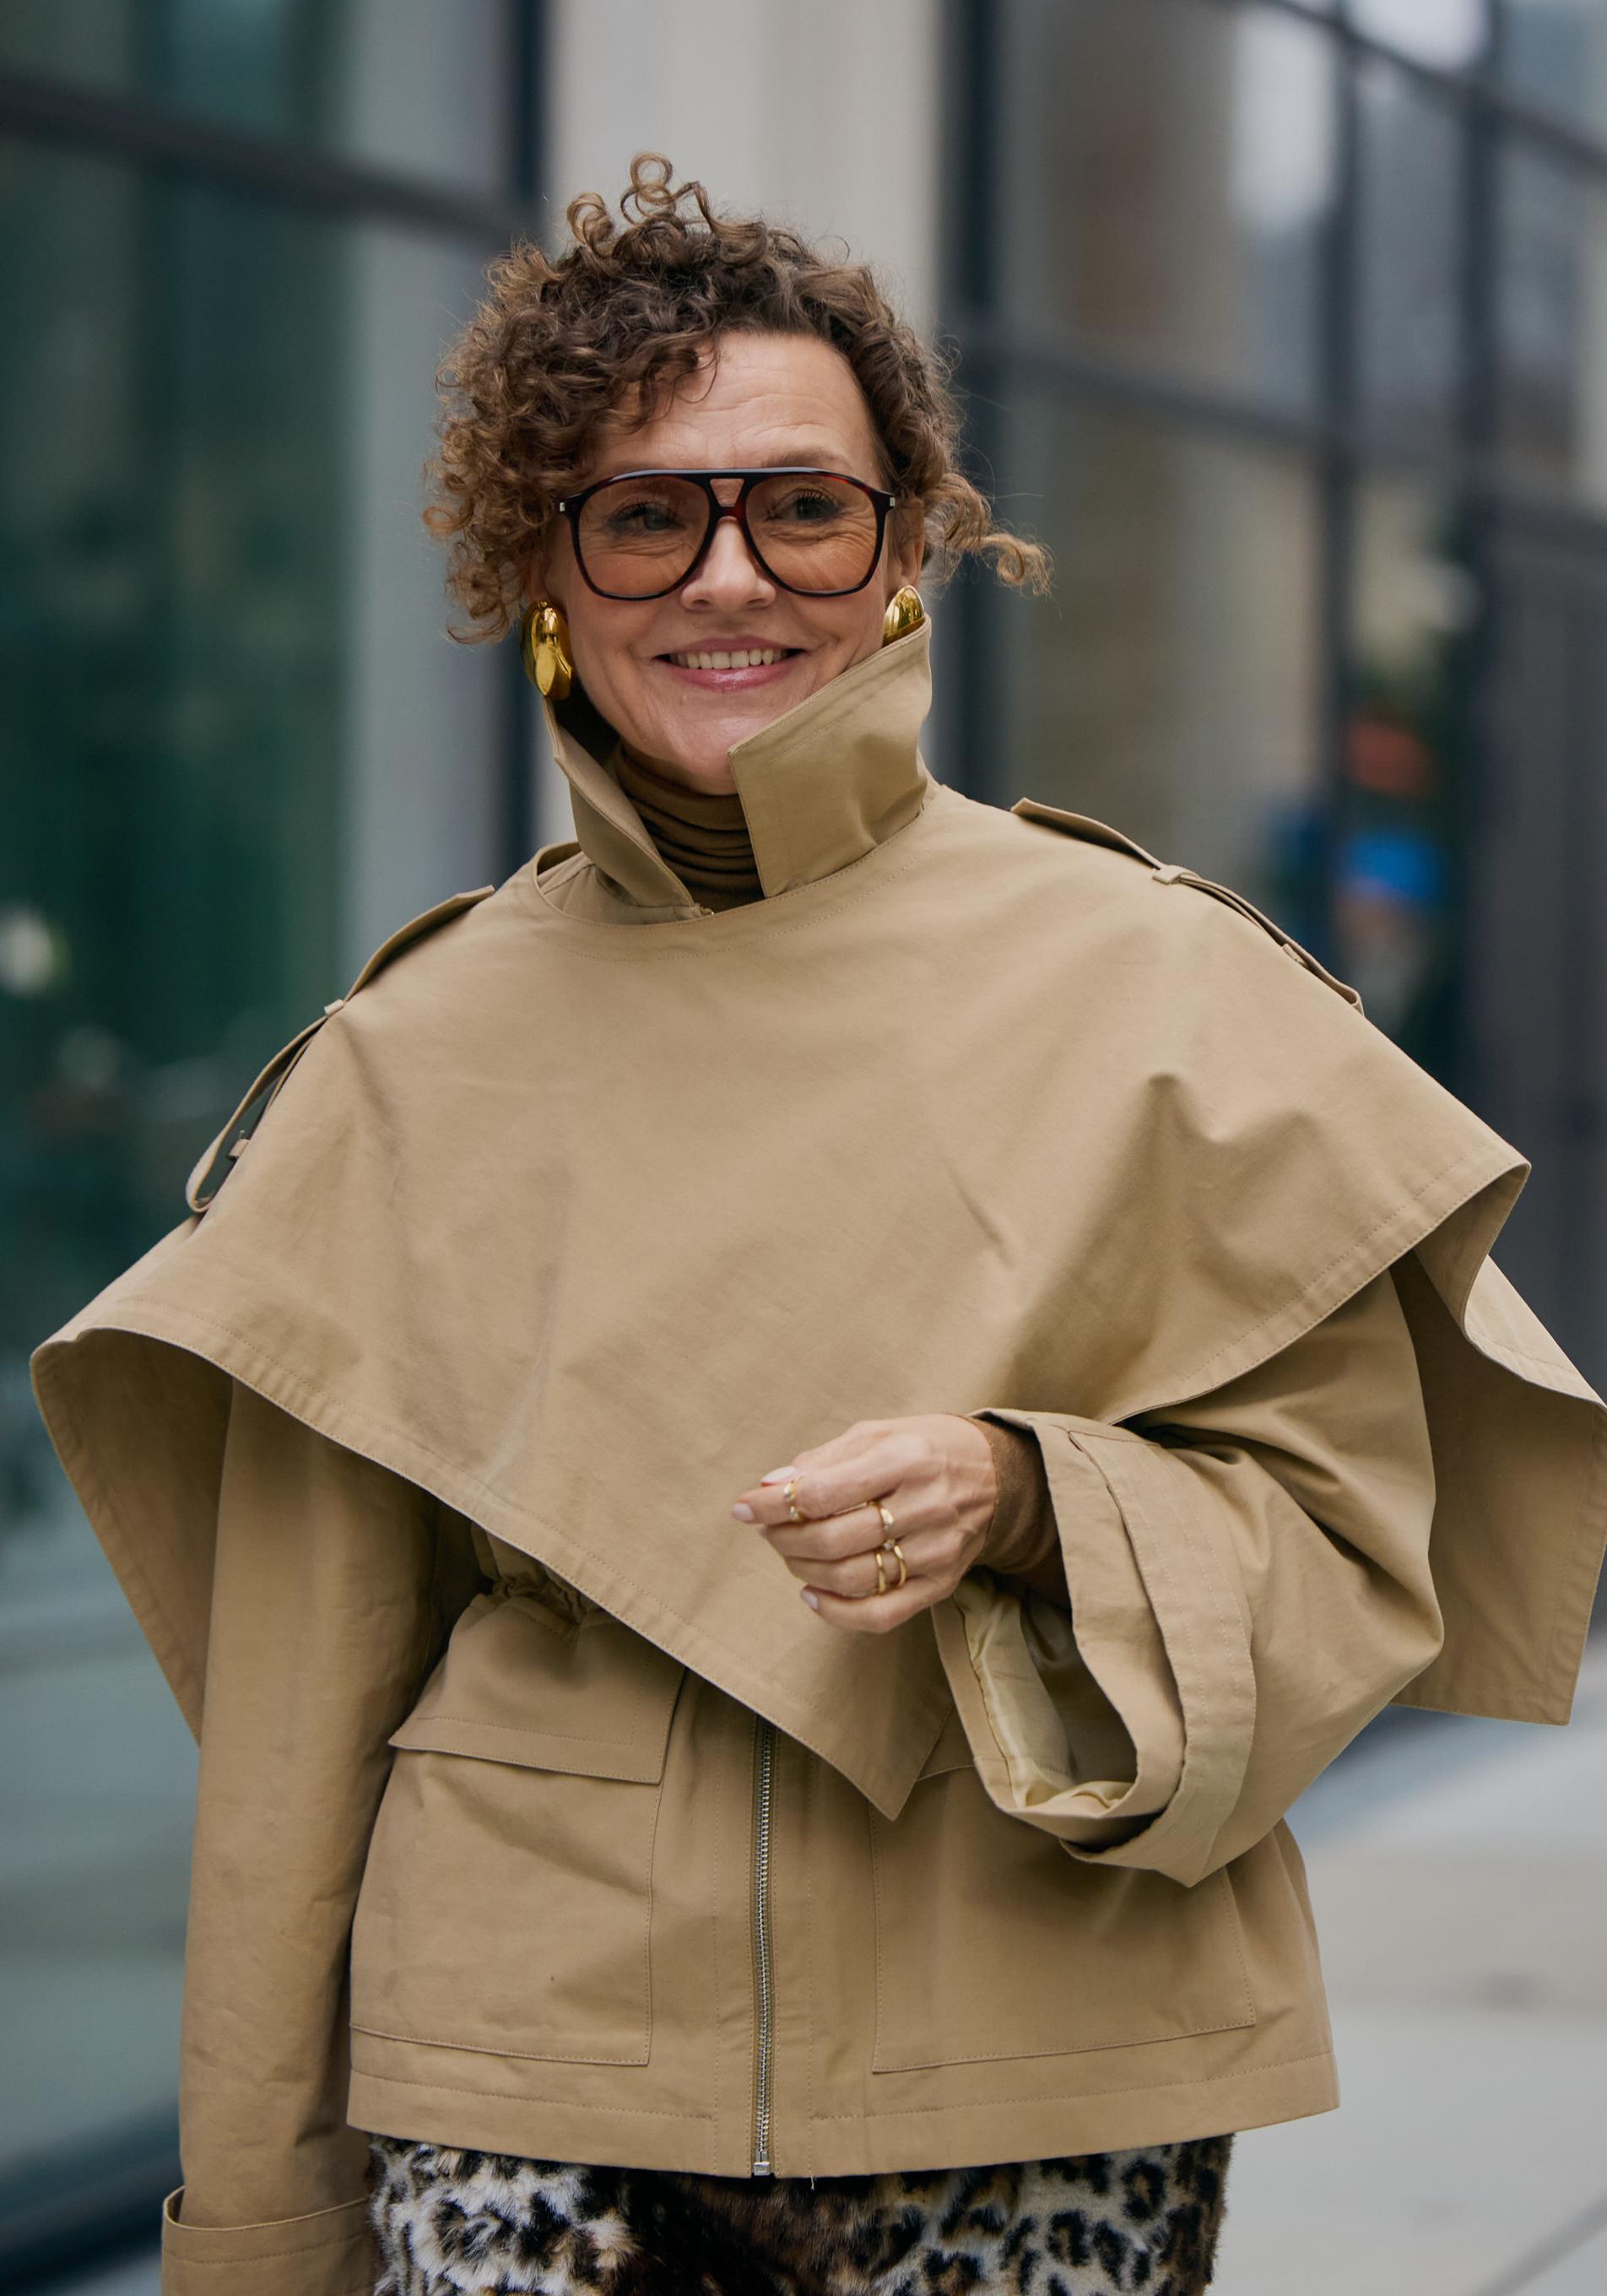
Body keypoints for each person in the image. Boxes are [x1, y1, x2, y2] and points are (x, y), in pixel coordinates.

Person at [33, 156, 1607, 2296]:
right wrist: (257, 2224)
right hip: (524, 2081)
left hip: (1038, 2066)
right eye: (644, 511)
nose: (729, 576)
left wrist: (1031, 1492)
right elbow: (299, 1734)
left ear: (899, 557)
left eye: (802, 504)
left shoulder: (1159, 989)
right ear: (542, 571)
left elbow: (1353, 1546)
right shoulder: (412, 1057)